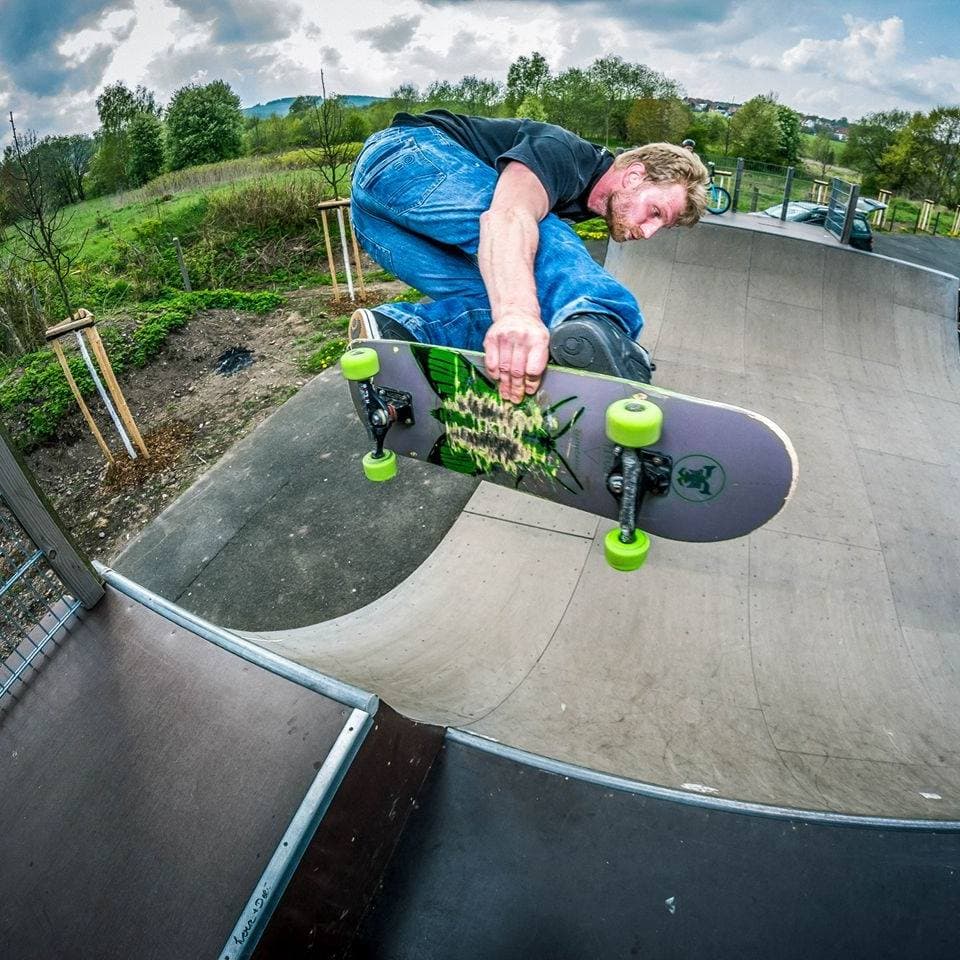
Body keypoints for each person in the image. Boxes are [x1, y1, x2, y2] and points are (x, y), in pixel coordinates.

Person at [349, 109, 708, 402]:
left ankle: (405, 332)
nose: (647, 231)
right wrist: (517, 314)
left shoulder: (583, 195)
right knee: (540, 232)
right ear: (633, 177)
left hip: (378, 226)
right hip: (405, 159)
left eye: (662, 227)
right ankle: (604, 325)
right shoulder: (564, 153)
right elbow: (508, 217)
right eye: (656, 213)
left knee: (502, 284)